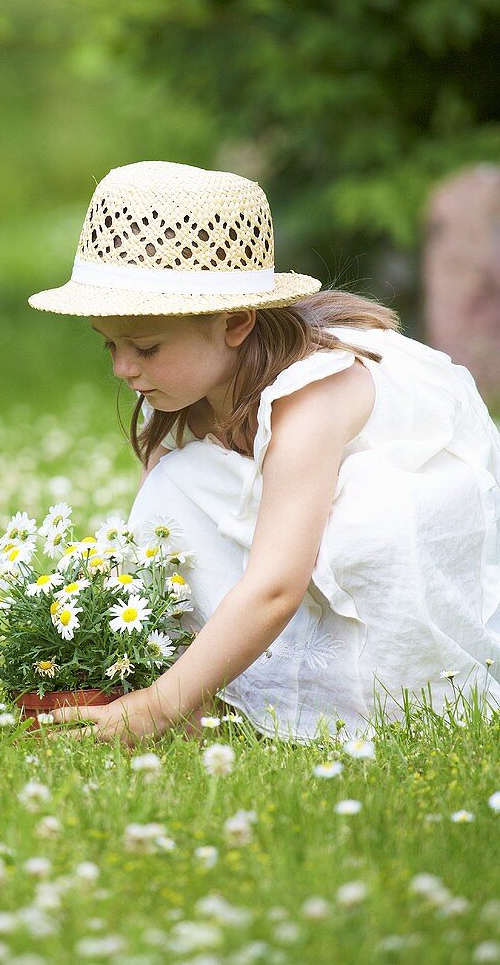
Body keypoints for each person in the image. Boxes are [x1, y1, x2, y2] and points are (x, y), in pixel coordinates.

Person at [27, 159, 500, 746]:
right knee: (177, 485)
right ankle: (228, 692)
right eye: (110, 346)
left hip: (405, 554)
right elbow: (169, 547)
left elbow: (277, 583)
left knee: (375, 522)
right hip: (301, 535)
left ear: (236, 322)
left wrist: (152, 710)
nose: (124, 369)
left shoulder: (313, 395)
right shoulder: (181, 388)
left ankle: (369, 702)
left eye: (145, 347)